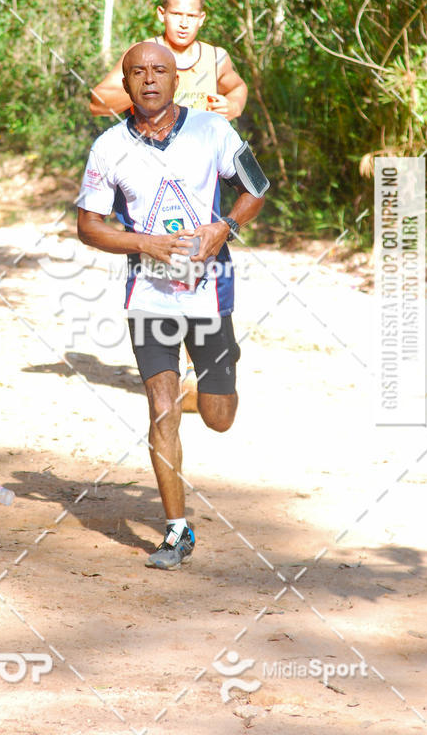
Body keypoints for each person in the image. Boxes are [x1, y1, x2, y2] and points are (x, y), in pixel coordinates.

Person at [77, 42, 265, 570]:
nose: (150, 80)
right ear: (127, 82)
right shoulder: (108, 147)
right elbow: (88, 227)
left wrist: (223, 227)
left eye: (160, 70)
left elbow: (258, 186)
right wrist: (145, 244)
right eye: (138, 72)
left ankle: (217, 373)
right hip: (150, 297)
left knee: (218, 417)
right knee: (161, 410)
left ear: (176, 79)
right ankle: (176, 530)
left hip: (209, 290)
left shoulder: (212, 131)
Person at [89, 0, 249, 411]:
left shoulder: (215, 56)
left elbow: (237, 89)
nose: (183, 22)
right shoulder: (143, 55)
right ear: (161, 15)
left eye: (191, 15)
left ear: (201, 19)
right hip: (146, 160)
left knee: (207, 262)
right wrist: (143, 98)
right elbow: (96, 101)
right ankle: (178, 370)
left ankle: (215, 362)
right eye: (175, 14)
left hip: (203, 165)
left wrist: (229, 107)